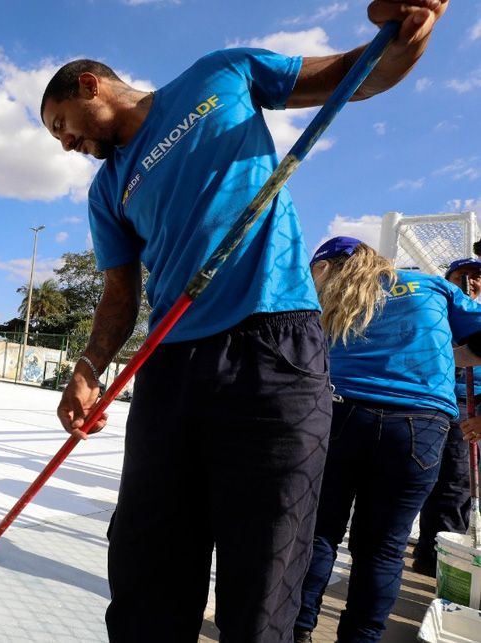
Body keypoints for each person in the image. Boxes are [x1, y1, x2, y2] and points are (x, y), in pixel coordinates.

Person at [40, 2, 448, 640]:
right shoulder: (106, 189)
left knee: (263, 584)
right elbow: (121, 292)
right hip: (169, 368)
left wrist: (411, 33)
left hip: (273, 354)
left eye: (62, 124)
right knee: (147, 571)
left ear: (91, 85)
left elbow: (357, 73)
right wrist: (89, 367)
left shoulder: (219, 76)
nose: (66, 144)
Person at [295, 238, 481, 642]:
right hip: (421, 424)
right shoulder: (430, 285)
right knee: (382, 547)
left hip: (340, 414)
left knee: (319, 532)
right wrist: (457, 355)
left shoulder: (332, 298)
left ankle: (298, 630)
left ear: (326, 265)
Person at [412, 257, 481, 575]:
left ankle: (440, 557)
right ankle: (429, 556)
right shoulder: (435, 313)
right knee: (435, 481)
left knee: (459, 484)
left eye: (477, 276)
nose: (470, 281)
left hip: (473, 404)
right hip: (437, 401)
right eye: (462, 275)